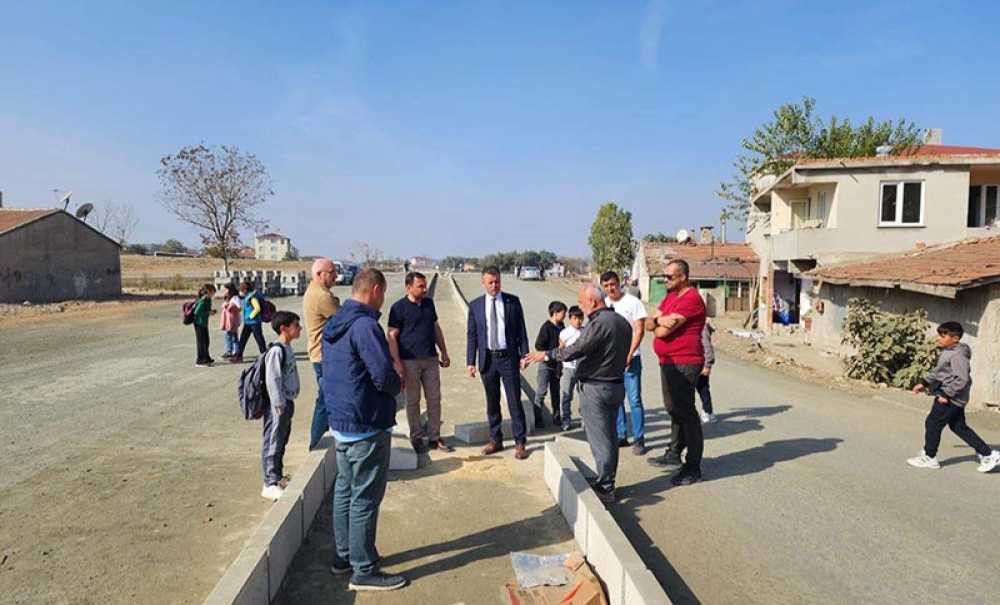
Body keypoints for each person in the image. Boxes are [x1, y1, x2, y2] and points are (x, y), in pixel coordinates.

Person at [322, 268, 407, 591]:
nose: (382, 301)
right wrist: (396, 386)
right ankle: (364, 568)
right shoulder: (365, 326)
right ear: (374, 289)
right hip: (365, 423)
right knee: (365, 498)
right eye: (382, 294)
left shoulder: (337, 321)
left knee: (345, 490)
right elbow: (383, 374)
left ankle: (344, 556)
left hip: (342, 421)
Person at [523, 285, 631, 503]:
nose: (580, 306)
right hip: (616, 386)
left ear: (592, 301)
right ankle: (608, 479)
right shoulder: (621, 322)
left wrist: (546, 355)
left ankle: (606, 486)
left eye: (582, 301)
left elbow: (577, 348)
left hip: (597, 388)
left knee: (600, 440)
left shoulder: (600, 323)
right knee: (610, 437)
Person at [907, 321, 1000, 472]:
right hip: (954, 397)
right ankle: (988, 454)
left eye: (943, 336)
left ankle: (930, 457)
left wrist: (946, 394)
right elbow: (940, 372)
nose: (939, 338)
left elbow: (961, 378)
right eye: (940, 335)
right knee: (958, 427)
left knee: (933, 423)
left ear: (955, 338)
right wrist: (924, 383)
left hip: (951, 397)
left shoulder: (957, 355)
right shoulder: (949, 351)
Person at [645, 259, 707, 486]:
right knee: (673, 408)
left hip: (685, 362)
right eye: (665, 276)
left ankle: (693, 467)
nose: (665, 280)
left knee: (686, 413)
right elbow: (652, 323)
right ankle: (673, 452)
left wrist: (657, 322)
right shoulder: (671, 296)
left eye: (670, 277)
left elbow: (660, 333)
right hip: (668, 361)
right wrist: (659, 319)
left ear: (683, 277)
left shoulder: (691, 299)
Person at [466, 266, 531, 460]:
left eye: (497, 282)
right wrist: (470, 361)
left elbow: (521, 330)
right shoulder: (475, 305)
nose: (494, 285)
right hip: (487, 360)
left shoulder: (513, 302)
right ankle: (496, 439)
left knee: (514, 401)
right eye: (491, 282)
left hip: (508, 358)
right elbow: (472, 335)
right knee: (492, 402)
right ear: (483, 282)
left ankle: (520, 442)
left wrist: (524, 354)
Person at [388, 271, 454, 454]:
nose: (424, 289)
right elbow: (392, 335)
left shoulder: (428, 304)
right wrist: (397, 362)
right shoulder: (398, 308)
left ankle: (434, 436)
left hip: (431, 360)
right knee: (413, 401)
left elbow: (435, 328)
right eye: (420, 286)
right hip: (409, 362)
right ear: (408, 287)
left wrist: (444, 351)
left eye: (425, 286)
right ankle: (416, 436)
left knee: (434, 399)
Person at [600, 271, 648, 456]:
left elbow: (639, 330)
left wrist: (629, 353)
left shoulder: (633, 303)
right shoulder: (604, 304)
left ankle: (639, 438)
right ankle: (621, 435)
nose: (610, 289)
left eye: (613, 284)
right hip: (611, 360)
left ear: (619, 283)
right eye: (606, 286)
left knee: (634, 399)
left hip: (631, 359)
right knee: (616, 399)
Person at [260, 310, 302, 501]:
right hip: (279, 405)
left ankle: (276, 477)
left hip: (287, 402)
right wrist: (278, 403)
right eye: (296, 325)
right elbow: (273, 379)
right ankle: (269, 483)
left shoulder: (287, 348)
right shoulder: (277, 351)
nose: (300, 328)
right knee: (273, 442)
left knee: (282, 440)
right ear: (284, 328)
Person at [303, 258, 341, 450]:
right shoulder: (321, 296)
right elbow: (342, 318)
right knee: (325, 401)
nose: (335, 276)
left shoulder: (319, 292)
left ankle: (322, 441)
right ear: (319, 274)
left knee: (327, 399)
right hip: (324, 356)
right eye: (331, 272)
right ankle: (316, 444)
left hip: (321, 354)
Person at [532, 301, 567, 428]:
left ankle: (557, 416)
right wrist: (552, 351)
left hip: (557, 365)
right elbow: (538, 346)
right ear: (555, 313)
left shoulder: (562, 326)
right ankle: (538, 418)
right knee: (541, 391)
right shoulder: (546, 327)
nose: (564, 316)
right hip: (545, 364)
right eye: (563, 313)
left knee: (556, 391)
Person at [558, 305, 585, 431]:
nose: (578, 321)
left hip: (583, 368)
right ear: (570, 319)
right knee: (567, 395)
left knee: (584, 395)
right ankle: (566, 419)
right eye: (575, 318)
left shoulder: (586, 331)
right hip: (569, 368)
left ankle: (585, 419)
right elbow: (561, 350)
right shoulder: (564, 333)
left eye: (580, 318)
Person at [231, 280, 266, 363]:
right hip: (248, 322)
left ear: (245, 290)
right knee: (243, 339)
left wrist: (251, 316)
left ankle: (264, 355)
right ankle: (239, 355)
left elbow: (257, 308)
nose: (240, 292)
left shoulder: (252, 297)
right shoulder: (247, 296)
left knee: (259, 339)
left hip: (254, 322)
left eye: (241, 290)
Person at [697, 322, 718, 424]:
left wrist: (707, 364)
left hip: (701, 363)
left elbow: (707, 347)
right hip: (692, 361)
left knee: (703, 388)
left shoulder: (701, 326)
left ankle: (708, 412)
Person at [192, 284, 216, 367]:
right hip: (199, 323)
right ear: (208, 292)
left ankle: (206, 357)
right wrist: (208, 312)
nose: (214, 294)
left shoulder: (208, 299)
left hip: (204, 323)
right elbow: (197, 312)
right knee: (201, 342)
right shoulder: (203, 300)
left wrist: (210, 311)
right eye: (213, 292)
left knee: (206, 340)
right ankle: (200, 360)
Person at [220, 283, 241, 359]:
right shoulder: (227, 298)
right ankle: (229, 350)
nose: (224, 291)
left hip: (233, 321)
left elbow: (239, 308)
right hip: (227, 321)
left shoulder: (235, 298)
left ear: (230, 290)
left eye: (226, 289)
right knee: (227, 336)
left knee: (234, 336)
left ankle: (236, 351)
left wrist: (231, 306)